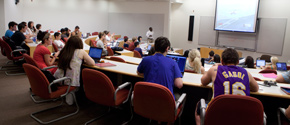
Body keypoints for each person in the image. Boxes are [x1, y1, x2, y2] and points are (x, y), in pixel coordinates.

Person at [195, 48, 259, 125]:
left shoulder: (215, 69)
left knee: (199, 105)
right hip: (240, 116)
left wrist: (214, 67)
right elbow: (256, 88)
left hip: (217, 115)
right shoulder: (246, 73)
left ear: (221, 61)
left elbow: (203, 81)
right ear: (238, 62)